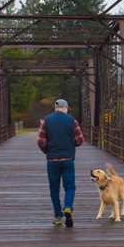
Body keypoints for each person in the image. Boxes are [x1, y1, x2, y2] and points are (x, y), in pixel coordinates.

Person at [37, 97, 84, 227]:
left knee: (54, 189)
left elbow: (40, 141)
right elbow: (80, 140)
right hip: (68, 159)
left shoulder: (46, 120)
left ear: (56, 108)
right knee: (70, 187)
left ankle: (58, 216)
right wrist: (71, 145)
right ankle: (68, 207)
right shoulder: (72, 120)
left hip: (52, 161)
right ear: (65, 108)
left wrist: (48, 151)